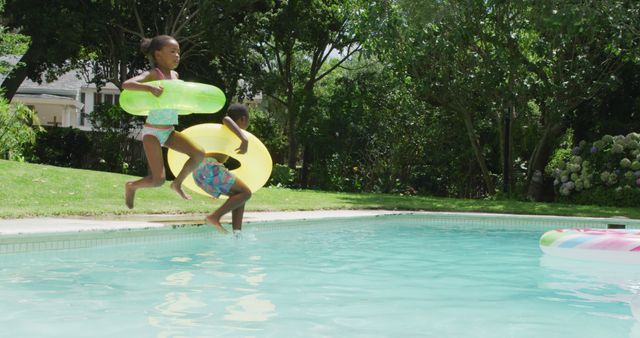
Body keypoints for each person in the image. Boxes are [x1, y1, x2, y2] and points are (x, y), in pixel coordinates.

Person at [123, 35, 204, 209]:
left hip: (169, 131)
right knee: (158, 180)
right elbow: (127, 84)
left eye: (178, 52)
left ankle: (177, 184)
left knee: (199, 154)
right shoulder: (154, 74)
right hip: (152, 132)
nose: (177, 56)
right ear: (158, 55)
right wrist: (149, 87)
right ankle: (131, 186)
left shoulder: (175, 75)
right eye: (172, 51)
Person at [192, 104, 252, 235]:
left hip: (200, 171)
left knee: (240, 196)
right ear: (243, 119)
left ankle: (237, 234)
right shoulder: (229, 127)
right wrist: (244, 139)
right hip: (208, 166)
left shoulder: (229, 135)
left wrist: (217, 185)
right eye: (248, 120)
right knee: (246, 193)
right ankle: (214, 217)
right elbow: (226, 119)